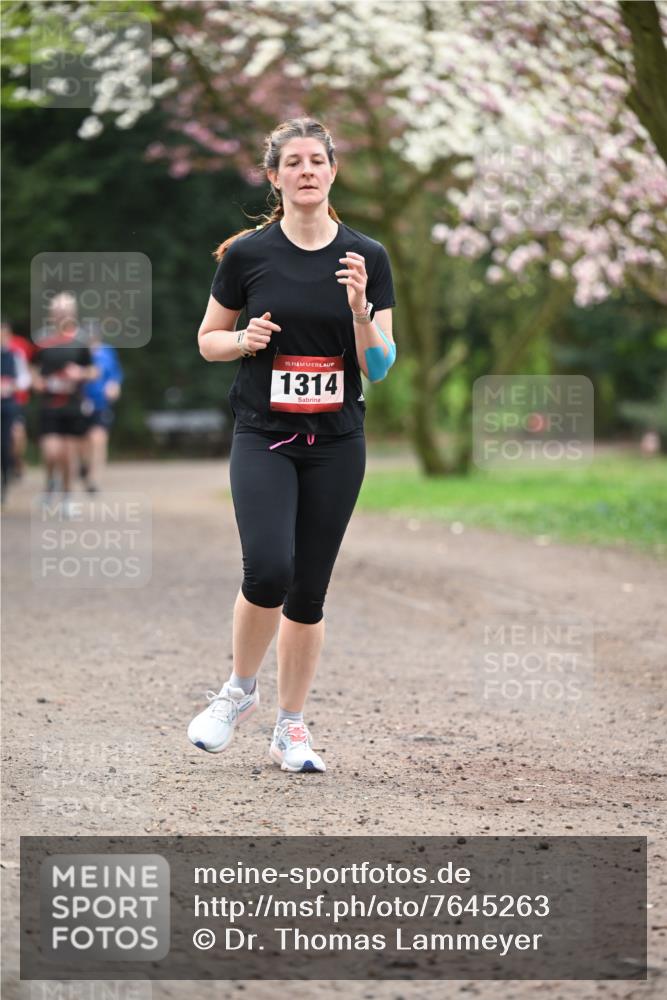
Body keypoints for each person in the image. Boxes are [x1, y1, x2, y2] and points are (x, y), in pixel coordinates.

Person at [187, 118, 397, 773]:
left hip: (337, 442)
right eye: (293, 162)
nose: (306, 170)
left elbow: (381, 366)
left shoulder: (368, 257)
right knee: (268, 572)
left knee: (308, 591)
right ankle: (236, 693)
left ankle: (291, 727)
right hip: (264, 435)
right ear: (274, 177)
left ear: (332, 172)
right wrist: (242, 341)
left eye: (317, 160)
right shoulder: (248, 255)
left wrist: (360, 309)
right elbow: (207, 339)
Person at [30, 293, 98, 509]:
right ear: (51, 314)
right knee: (51, 452)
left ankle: (67, 498)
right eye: (58, 312)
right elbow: (32, 368)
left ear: (73, 313)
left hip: (73, 404)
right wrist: (37, 381)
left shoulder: (82, 340)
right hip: (50, 404)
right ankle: (50, 485)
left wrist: (79, 373)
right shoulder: (42, 339)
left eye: (66, 311)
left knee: (68, 454)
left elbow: (94, 371)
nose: (61, 315)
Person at [77, 330, 124, 492]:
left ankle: (94, 479)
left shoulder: (108, 352)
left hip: (101, 403)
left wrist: (114, 387)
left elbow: (115, 375)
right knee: (83, 442)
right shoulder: (77, 352)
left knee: (99, 439)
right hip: (80, 403)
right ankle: (84, 466)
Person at [1, 318, 35, 479]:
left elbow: (27, 375)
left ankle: (15, 461)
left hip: (14, 401)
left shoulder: (18, 350)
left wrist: (14, 386)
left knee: (16, 435)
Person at [1, 323, 19, 505]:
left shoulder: (13, 356)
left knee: (4, 445)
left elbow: (20, 380)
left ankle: (5, 481)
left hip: (6, 407)